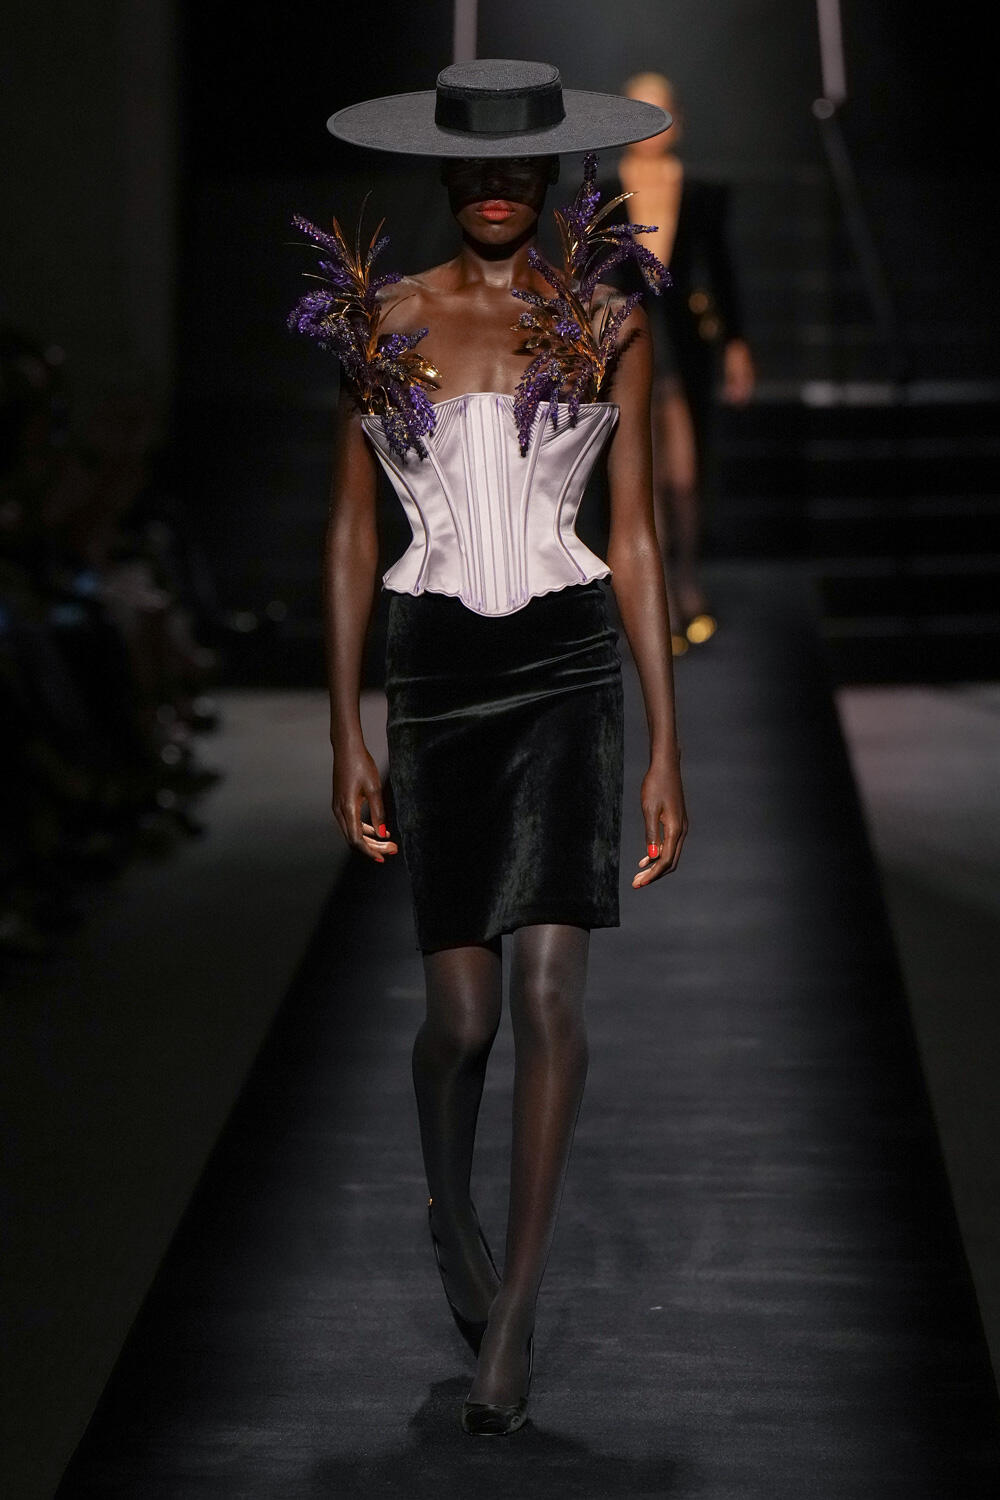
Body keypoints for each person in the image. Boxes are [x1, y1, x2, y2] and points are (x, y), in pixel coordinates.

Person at [288, 60, 687, 1437]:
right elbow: (353, 530)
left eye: (524, 168)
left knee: (550, 998)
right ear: (449, 173)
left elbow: (636, 534)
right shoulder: (381, 319)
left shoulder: (605, 316)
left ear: (555, 173)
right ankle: (449, 1212)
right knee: (460, 1020)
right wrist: (344, 727)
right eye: (480, 169)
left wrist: (666, 743)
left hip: (569, 664)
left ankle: (514, 1308)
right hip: (438, 676)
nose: (501, 189)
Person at [614, 72, 756, 653]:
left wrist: (737, 344)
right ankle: (657, 597)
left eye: (660, 112)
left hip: (682, 345)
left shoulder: (700, 193)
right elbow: (585, 275)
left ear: (677, 121)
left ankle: (686, 581)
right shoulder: (601, 191)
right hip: (622, 345)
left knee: (684, 473)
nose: (650, 125)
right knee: (639, 472)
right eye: (639, 112)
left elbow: (721, 267)